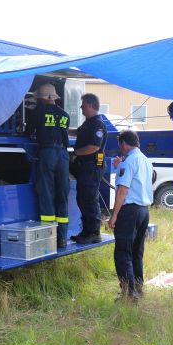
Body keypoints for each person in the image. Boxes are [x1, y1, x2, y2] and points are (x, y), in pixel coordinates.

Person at [108, 130, 153, 301]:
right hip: (144, 211)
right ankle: (137, 288)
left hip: (130, 211)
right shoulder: (145, 160)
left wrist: (114, 216)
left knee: (123, 252)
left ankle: (128, 294)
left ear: (124, 144)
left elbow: (122, 190)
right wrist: (120, 165)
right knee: (136, 252)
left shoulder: (128, 163)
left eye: (120, 145)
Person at [29, 83, 70, 248]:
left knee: (46, 193)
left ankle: (49, 237)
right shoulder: (65, 115)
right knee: (62, 194)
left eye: (40, 98)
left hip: (48, 153)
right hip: (63, 155)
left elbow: (27, 131)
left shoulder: (38, 112)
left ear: (46, 98)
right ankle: (62, 238)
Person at [69, 93, 107, 244]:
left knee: (89, 199)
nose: (81, 107)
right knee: (82, 198)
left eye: (83, 104)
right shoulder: (88, 123)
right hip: (85, 168)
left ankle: (94, 232)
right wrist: (62, 127)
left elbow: (94, 147)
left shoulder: (98, 125)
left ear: (91, 105)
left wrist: (76, 153)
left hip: (92, 168)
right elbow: (77, 132)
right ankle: (86, 231)